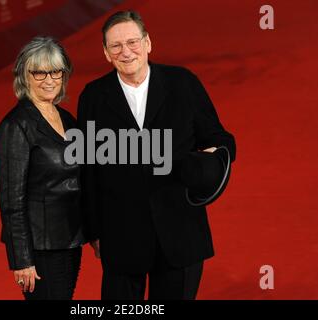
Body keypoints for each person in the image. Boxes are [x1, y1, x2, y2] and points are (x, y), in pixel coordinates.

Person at [77, 11, 236, 300]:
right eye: (116, 46)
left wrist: (209, 163)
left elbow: (221, 139)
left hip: (180, 231)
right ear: (105, 53)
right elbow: (88, 168)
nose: (126, 52)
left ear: (148, 43)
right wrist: (93, 230)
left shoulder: (183, 83)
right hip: (121, 234)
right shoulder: (93, 97)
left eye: (133, 42)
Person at [0, 36, 85, 300]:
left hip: (69, 240)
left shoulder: (66, 118)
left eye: (56, 71)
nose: (49, 80)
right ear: (25, 75)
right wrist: (21, 259)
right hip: (40, 248)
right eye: (39, 72)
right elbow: (11, 200)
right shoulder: (16, 126)